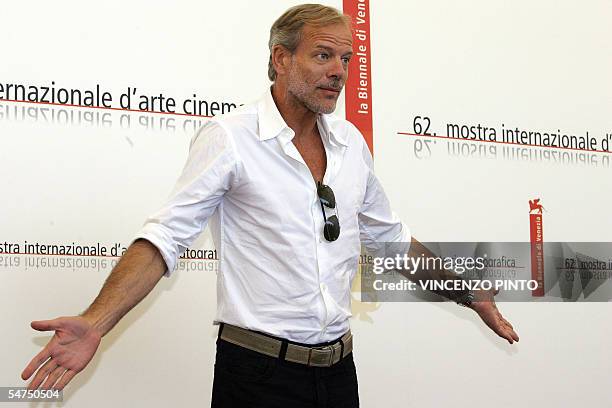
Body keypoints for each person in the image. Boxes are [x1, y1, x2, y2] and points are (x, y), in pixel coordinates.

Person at [21, 4, 519, 407]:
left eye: (346, 60)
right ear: (280, 59)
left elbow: (391, 240)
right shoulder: (231, 139)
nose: (338, 73)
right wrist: (96, 321)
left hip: (339, 372)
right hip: (257, 378)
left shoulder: (350, 144)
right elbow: (164, 239)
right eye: (323, 56)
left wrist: (466, 291)